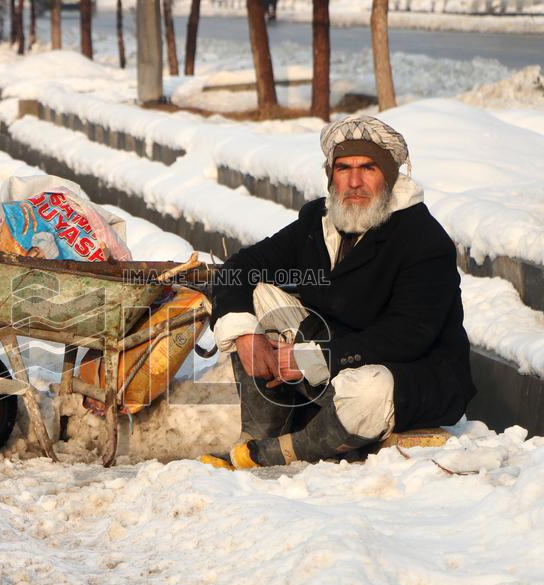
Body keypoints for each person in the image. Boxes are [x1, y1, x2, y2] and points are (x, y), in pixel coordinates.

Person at [200, 115, 476, 470]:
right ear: (331, 175)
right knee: (255, 296)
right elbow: (241, 267)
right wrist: (246, 335)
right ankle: (257, 435)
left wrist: (312, 358)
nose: (355, 182)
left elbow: (408, 336)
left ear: (389, 177)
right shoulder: (318, 221)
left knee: (368, 392)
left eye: (368, 168)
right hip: (325, 360)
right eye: (344, 168)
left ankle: (277, 452)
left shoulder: (424, 239)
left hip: (406, 373)